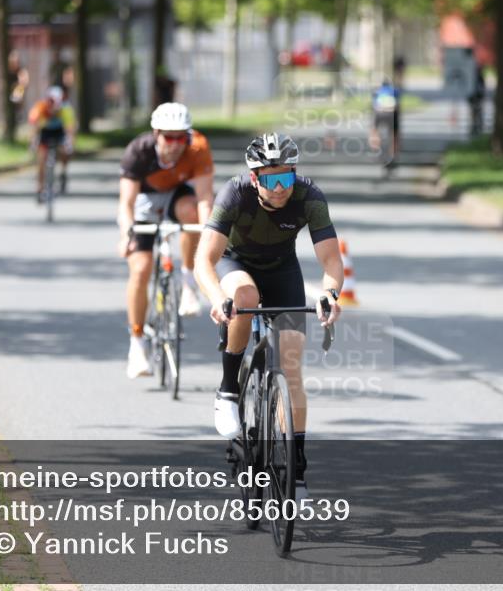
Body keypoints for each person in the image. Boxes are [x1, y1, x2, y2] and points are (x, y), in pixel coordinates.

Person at [195, 133, 343, 500]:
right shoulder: (235, 193)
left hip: (282, 271)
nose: (280, 189)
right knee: (245, 297)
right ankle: (228, 389)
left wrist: (329, 294)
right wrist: (217, 298)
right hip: (235, 264)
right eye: (271, 180)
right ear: (255, 177)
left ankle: (296, 469)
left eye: (286, 178)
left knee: (290, 367)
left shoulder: (309, 196)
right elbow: (204, 261)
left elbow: (331, 260)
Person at [117, 102, 214, 378]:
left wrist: (208, 235)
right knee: (140, 269)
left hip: (177, 195)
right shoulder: (138, 151)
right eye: (169, 137)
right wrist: (126, 234)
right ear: (156, 134)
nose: (175, 144)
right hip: (144, 202)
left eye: (181, 138)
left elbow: (205, 198)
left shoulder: (198, 147)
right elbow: (126, 203)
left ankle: (188, 281)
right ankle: (137, 344)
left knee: (192, 214)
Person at [28, 86, 75, 202]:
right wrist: (33, 142)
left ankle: (63, 172)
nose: (53, 109)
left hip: (59, 131)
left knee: (65, 150)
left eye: (56, 105)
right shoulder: (40, 107)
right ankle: (40, 188)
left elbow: (69, 129)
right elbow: (34, 126)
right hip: (45, 131)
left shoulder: (65, 109)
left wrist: (69, 143)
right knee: (41, 159)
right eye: (51, 104)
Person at [368, 78, 401, 165]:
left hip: (379, 113)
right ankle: (395, 152)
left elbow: (373, 103)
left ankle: (374, 148)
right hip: (392, 113)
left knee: (374, 130)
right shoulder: (394, 90)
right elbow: (398, 99)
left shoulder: (377, 91)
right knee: (394, 133)